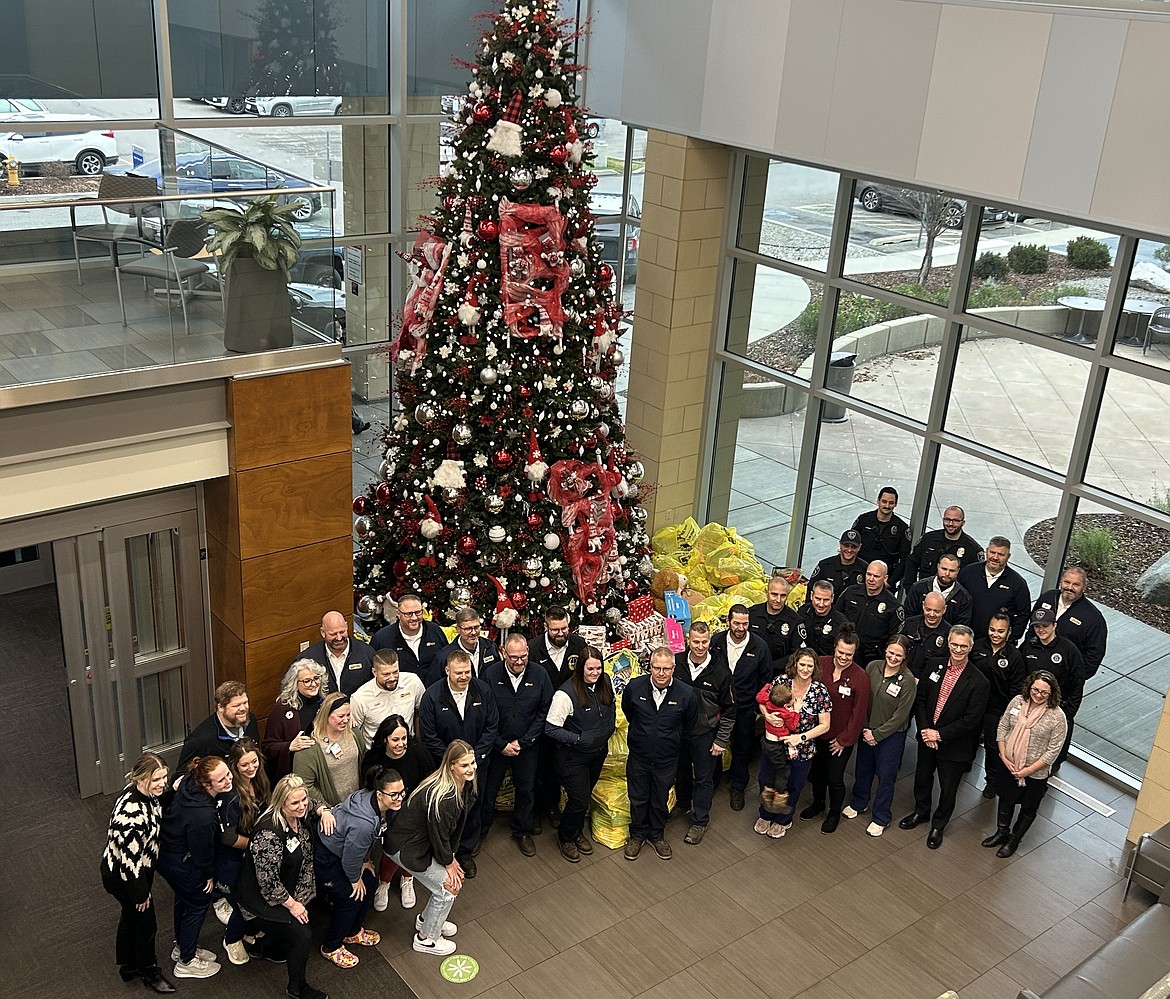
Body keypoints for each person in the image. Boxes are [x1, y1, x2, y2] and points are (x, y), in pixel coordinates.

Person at [233, 774, 332, 999]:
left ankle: (264, 948)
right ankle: (297, 988)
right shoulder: (268, 834)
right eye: (294, 803)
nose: (301, 806)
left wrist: (323, 811)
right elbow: (268, 884)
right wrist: (293, 905)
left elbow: (314, 803)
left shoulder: (302, 809)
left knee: (304, 918)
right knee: (302, 935)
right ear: (281, 803)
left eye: (303, 800)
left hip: (291, 886)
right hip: (261, 899)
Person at [384, 740, 477, 958]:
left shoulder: (464, 786)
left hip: (421, 844)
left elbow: (448, 832)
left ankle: (428, 921)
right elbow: (439, 835)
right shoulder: (444, 797)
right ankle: (427, 938)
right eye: (464, 765)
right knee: (448, 889)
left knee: (451, 883)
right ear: (451, 766)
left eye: (472, 763)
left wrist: (450, 860)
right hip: (406, 847)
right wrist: (448, 864)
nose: (471, 768)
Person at [899, 625, 989, 849]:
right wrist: (925, 730)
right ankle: (921, 812)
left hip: (954, 746)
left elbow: (971, 720)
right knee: (922, 778)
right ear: (948, 643)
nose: (958, 649)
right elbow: (920, 701)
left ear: (970, 647)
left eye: (963, 646)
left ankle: (939, 825)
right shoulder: (934, 664)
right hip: (926, 737)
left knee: (948, 789)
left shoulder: (979, 682)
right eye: (954, 644)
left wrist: (938, 735)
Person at [417, 649, 499, 877]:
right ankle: (442, 853)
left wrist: (475, 759)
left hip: (477, 766)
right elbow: (429, 734)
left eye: (467, 672)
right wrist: (450, 762)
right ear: (447, 671)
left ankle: (465, 853)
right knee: (443, 811)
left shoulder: (483, 691)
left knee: (472, 808)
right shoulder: (432, 696)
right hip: (444, 769)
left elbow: (492, 726)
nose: (464, 676)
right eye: (459, 673)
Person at [313, 768, 407, 968]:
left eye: (402, 792)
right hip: (326, 856)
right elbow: (350, 858)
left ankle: (352, 932)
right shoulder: (364, 823)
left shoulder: (371, 798)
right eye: (394, 794)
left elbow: (358, 847)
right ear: (380, 794)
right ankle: (331, 947)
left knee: (370, 881)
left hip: (344, 851)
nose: (399, 798)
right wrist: (354, 880)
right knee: (352, 897)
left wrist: (365, 861)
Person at [101, 752, 175, 994]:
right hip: (126, 877)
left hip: (133, 872)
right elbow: (129, 864)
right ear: (141, 778)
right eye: (157, 780)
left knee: (130, 917)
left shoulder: (143, 794)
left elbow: (156, 805)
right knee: (146, 923)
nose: (162, 784)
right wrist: (141, 894)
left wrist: (172, 789)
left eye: (164, 777)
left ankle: (128, 965)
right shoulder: (130, 816)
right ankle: (149, 970)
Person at [157, 755, 233, 979]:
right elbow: (202, 851)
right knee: (198, 902)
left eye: (228, 774)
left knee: (184, 899)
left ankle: (182, 946)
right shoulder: (203, 815)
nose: (228, 780)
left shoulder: (189, 783)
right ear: (207, 784)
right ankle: (187, 961)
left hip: (168, 855)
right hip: (180, 862)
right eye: (221, 780)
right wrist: (208, 875)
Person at [621, 647, 698, 861]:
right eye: (657, 668)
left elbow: (689, 724)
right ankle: (636, 836)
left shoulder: (685, 693)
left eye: (666, 669)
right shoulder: (635, 688)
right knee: (637, 798)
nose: (661, 673)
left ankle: (656, 835)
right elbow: (629, 712)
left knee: (659, 799)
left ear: (673, 668)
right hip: (639, 756)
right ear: (650, 668)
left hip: (667, 759)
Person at [480, 633, 553, 858]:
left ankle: (522, 831)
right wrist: (501, 744)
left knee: (526, 789)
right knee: (487, 791)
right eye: (513, 657)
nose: (519, 662)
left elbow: (544, 711)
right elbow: (484, 712)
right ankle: (480, 831)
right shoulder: (490, 675)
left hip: (527, 746)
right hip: (497, 745)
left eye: (523, 656)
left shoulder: (540, 674)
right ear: (503, 653)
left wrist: (524, 741)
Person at [983, 671, 1068, 858]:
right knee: (1005, 798)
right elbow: (1003, 726)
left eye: (1044, 693)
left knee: (1029, 807)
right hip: (1009, 765)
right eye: (1035, 689)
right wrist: (1004, 756)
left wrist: (1026, 771)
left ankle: (1014, 840)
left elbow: (1053, 751)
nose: (1038, 695)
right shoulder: (1017, 702)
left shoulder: (1057, 717)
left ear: (1052, 694)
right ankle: (1001, 832)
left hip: (1034, 774)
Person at [544, 645, 617, 863]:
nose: (595, 673)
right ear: (580, 669)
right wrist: (577, 739)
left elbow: (610, 706)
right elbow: (551, 727)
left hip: (597, 753)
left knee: (583, 797)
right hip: (572, 758)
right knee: (579, 799)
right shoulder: (565, 694)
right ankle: (566, 837)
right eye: (590, 669)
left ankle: (576, 831)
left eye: (598, 668)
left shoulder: (605, 682)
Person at [843, 636, 917, 837]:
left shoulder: (908, 681)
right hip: (866, 730)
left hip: (891, 737)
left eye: (898, 655)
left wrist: (877, 734)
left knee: (886, 776)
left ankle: (881, 817)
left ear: (905, 657)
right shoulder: (872, 667)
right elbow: (862, 698)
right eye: (890, 652)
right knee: (863, 769)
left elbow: (901, 715)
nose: (893, 657)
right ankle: (859, 802)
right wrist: (865, 728)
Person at [360, 713, 435, 912]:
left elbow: (429, 782)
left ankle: (407, 879)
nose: (401, 744)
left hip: (415, 811)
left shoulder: (418, 751)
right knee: (389, 847)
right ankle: (383, 883)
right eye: (395, 739)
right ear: (385, 739)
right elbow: (368, 789)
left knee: (410, 846)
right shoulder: (374, 758)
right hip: (386, 813)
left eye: (404, 738)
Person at [754, 649, 831, 838]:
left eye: (809, 665)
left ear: (815, 668)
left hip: (801, 749)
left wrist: (801, 737)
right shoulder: (781, 682)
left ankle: (783, 819)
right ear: (795, 664)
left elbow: (825, 725)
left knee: (793, 785)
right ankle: (765, 814)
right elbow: (762, 701)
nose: (805, 669)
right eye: (802, 664)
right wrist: (767, 716)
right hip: (774, 745)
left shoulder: (819, 691)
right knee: (765, 779)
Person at [803, 625, 871, 834]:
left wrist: (844, 740)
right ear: (834, 647)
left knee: (834, 777)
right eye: (840, 652)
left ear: (854, 653)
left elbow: (859, 715)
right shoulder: (821, 664)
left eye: (848, 655)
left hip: (839, 739)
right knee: (816, 772)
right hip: (817, 734)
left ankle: (833, 812)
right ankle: (818, 803)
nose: (843, 657)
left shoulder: (860, 678)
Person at [673, 621, 735, 846]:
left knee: (703, 777)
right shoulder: (676, 664)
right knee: (680, 771)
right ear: (688, 640)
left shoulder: (721, 672)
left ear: (710, 641)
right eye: (696, 642)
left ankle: (699, 820)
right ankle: (682, 804)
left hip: (705, 733)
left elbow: (730, 710)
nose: (700, 646)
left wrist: (721, 740)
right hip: (679, 733)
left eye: (704, 642)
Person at [530, 605, 588, 828]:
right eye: (555, 630)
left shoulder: (578, 645)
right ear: (546, 627)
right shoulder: (533, 649)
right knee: (537, 766)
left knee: (558, 765)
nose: (561, 633)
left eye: (564, 628)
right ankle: (534, 812)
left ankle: (552, 807)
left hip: (568, 720)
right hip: (540, 718)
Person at [215, 738, 271, 965]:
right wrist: (255, 844)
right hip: (233, 859)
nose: (251, 768)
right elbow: (228, 838)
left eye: (254, 762)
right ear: (234, 766)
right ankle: (232, 939)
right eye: (244, 765)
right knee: (241, 904)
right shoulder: (230, 795)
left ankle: (248, 930)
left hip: (254, 854)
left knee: (256, 899)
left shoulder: (260, 781)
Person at [713, 603, 772, 811]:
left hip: (745, 708)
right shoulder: (717, 642)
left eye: (744, 623)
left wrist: (756, 707)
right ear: (728, 622)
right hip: (718, 707)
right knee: (715, 745)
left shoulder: (759, 646)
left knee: (742, 748)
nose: (740, 627)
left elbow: (766, 680)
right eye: (736, 623)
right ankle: (713, 782)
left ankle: (738, 786)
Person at [1021, 606, 1086, 772]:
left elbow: (1078, 683)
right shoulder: (1028, 647)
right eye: (1037, 626)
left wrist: (1068, 713)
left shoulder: (1069, 650)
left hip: (1056, 710)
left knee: (1050, 759)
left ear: (1054, 625)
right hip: (1030, 709)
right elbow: (1019, 677)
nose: (1041, 630)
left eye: (1045, 626)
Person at [970, 611, 1027, 798]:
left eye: (1000, 631)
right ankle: (964, 764)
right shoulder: (976, 646)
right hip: (973, 705)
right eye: (992, 630)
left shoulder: (1015, 657)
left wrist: (1007, 713)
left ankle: (991, 781)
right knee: (967, 736)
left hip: (997, 710)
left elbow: (1017, 688)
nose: (995, 634)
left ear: (1009, 632)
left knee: (993, 747)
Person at [1029, 566, 1108, 678]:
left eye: (1076, 584)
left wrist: (1075, 678)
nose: (1070, 587)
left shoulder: (1093, 618)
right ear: (1061, 581)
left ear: (1084, 587)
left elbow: (1094, 655)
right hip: (1033, 670)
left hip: (1063, 679)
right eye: (1067, 582)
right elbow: (1032, 628)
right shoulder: (1047, 598)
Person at [293, 692, 368, 807]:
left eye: (348, 715)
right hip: (331, 809)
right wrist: (326, 808)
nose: (346, 720)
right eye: (341, 716)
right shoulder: (309, 745)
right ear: (326, 715)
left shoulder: (353, 731)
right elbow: (305, 784)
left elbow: (365, 759)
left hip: (359, 803)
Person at [263, 660, 326, 781]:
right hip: (294, 775)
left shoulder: (325, 702)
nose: (313, 684)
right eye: (307, 681)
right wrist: (290, 746)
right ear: (294, 684)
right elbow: (268, 748)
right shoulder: (281, 709)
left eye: (316, 678)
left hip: (322, 768)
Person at [959, 535, 1031, 640]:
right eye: (992, 552)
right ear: (986, 551)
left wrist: (1010, 639)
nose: (995, 557)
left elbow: (1023, 614)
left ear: (1008, 556)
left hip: (995, 644)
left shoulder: (1018, 583)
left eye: (1001, 554)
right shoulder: (968, 572)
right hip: (964, 638)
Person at [348, 648, 426, 744]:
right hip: (376, 753)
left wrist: (419, 741)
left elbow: (421, 712)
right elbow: (354, 732)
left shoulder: (413, 682)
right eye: (386, 674)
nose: (392, 678)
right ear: (374, 672)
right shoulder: (360, 698)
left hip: (408, 747)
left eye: (395, 672)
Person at [178, 680, 259, 770]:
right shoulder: (200, 741)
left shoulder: (250, 720)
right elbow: (180, 777)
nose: (243, 708)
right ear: (220, 707)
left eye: (245, 703)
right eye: (236, 705)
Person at [835, 560, 905, 663]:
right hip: (844, 652)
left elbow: (894, 639)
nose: (871, 579)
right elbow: (835, 616)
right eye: (869, 574)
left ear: (885, 578)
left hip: (870, 659)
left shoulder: (893, 606)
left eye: (876, 576)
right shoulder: (850, 592)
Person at [902, 505, 985, 589]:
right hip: (924, 593)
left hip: (953, 597)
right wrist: (910, 589)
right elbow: (912, 563)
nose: (950, 524)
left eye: (955, 520)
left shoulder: (973, 549)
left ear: (963, 523)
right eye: (947, 519)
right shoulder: (928, 539)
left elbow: (975, 578)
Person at [370, 593, 448, 681]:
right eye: (409, 614)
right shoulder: (382, 639)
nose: (414, 618)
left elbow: (446, 660)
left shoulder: (435, 631)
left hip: (434, 691)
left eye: (418, 612)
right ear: (398, 614)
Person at [300, 610, 376, 696]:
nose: (339, 638)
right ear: (323, 633)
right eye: (333, 634)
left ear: (347, 627)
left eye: (342, 632)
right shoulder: (309, 658)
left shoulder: (367, 653)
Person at [755, 681, 800, 814]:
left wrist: (767, 686)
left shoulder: (768, 702)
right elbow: (792, 726)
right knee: (782, 770)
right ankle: (780, 797)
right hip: (777, 745)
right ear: (787, 705)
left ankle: (767, 792)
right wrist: (796, 710)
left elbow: (759, 697)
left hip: (766, 742)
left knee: (771, 767)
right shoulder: (785, 713)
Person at [853, 486, 911, 589]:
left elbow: (905, 559)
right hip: (859, 575)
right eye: (884, 501)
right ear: (878, 501)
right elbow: (851, 546)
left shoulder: (902, 528)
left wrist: (890, 582)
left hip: (884, 580)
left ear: (895, 504)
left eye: (891, 503)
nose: (887, 506)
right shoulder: (864, 520)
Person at [748, 571, 808, 665]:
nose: (778, 600)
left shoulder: (795, 621)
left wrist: (772, 667)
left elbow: (797, 654)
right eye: (774, 595)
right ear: (766, 593)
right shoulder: (751, 614)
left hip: (778, 671)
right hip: (751, 667)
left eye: (783, 596)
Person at [431, 607, 502, 685]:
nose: (473, 632)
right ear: (458, 629)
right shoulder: (445, 656)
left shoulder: (490, 647)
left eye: (476, 627)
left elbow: (498, 676)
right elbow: (435, 687)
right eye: (468, 629)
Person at [902, 554, 972, 626]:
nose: (947, 573)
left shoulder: (964, 598)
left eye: (952, 570)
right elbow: (908, 615)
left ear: (958, 571)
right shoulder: (918, 588)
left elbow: (960, 628)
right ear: (938, 566)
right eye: (944, 569)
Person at [805, 530, 869, 606]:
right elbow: (811, 590)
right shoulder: (825, 566)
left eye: (853, 547)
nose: (849, 550)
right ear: (840, 544)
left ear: (859, 547)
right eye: (846, 545)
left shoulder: (865, 569)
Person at [901, 591, 950, 679]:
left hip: (926, 683)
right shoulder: (909, 624)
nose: (931, 614)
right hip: (902, 677)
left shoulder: (949, 634)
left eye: (936, 611)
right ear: (923, 606)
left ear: (944, 609)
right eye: (928, 609)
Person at [796, 579, 850, 657]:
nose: (821, 604)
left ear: (832, 598)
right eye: (818, 599)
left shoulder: (841, 623)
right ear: (811, 596)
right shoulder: (802, 612)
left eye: (826, 600)